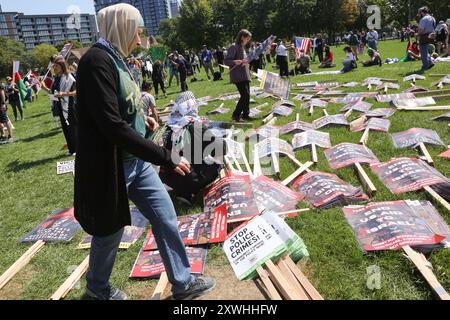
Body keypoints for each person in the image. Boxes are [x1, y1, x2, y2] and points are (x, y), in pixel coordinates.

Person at [75, 3, 215, 300]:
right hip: (111, 166)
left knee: (165, 216)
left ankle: (183, 283)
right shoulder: (95, 62)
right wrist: (165, 155)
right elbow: (111, 125)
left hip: (136, 162)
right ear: (122, 29)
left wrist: (143, 118)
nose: (139, 41)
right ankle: (96, 290)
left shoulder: (115, 57)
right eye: (136, 33)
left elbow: (123, 107)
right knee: (109, 232)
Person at [42, 59, 77, 156]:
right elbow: (54, 93)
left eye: (56, 66)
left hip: (69, 107)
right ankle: (71, 149)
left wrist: (64, 94)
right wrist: (44, 88)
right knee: (65, 128)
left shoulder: (69, 77)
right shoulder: (56, 78)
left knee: (72, 128)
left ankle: (77, 149)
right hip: (60, 107)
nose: (54, 68)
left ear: (62, 66)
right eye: (54, 66)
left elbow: (75, 92)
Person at [224, 29, 253, 122]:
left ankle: (245, 115)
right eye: (247, 38)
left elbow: (244, 61)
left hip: (245, 75)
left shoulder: (242, 47)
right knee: (244, 95)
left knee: (247, 95)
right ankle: (236, 115)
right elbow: (226, 61)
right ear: (242, 37)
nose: (248, 40)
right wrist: (234, 61)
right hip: (238, 76)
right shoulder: (234, 47)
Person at [417, 6, 436, 72]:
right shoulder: (432, 18)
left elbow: (421, 30)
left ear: (422, 12)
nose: (419, 15)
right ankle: (430, 63)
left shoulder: (424, 19)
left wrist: (417, 34)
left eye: (419, 13)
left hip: (424, 36)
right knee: (425, 50)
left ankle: (425, 66)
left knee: (422, 51)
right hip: (431, 35)